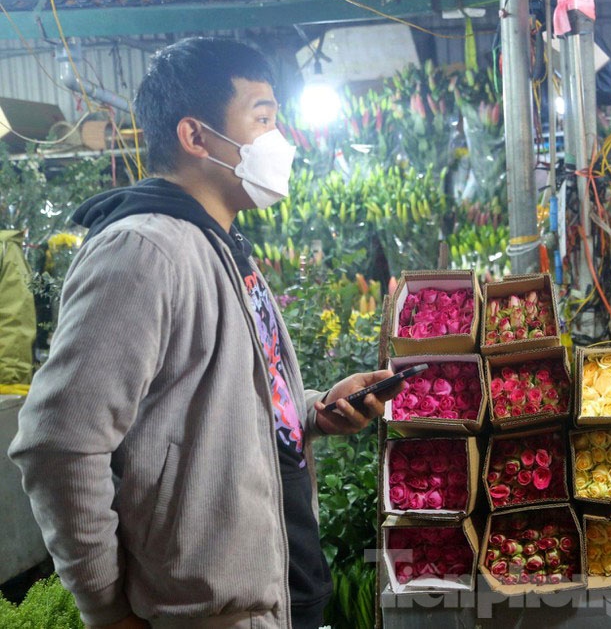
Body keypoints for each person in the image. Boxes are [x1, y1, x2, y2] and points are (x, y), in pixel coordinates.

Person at [8, 37, 393, 629]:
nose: (278, 141)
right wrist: (108, 611)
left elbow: (203, 405)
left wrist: (312, 411)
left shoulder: (218, 243)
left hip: (282, 593)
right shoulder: (143, 251)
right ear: (196, 137)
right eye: (261, 119)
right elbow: (59, 443)